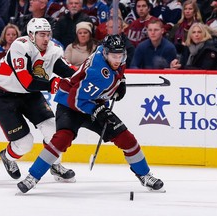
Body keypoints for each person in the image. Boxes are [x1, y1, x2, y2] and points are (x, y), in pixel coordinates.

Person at [17, 34, 165, 194]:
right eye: (114, 56)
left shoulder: (110, 55)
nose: (117, 59)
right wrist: (97, 110)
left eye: (120, 55)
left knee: (126, 138)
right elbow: (77, 99)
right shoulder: (97, 73)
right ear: (106, 54)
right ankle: (32, 176)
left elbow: (114, 73)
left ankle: (145, 175)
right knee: (62, 139)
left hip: (93, 103)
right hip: (70, 104)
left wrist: (120, 82)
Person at [0, 18, 77, 182]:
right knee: (24, 143)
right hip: (4, 94)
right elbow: (27, 82)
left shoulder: (54, 49)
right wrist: (52, 84)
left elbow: (66, 70)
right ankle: (7, 156)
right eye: (41, 35)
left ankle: (54, 165)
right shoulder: (20, 46)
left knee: (54, 130)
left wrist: (87, 79)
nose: (46, 39)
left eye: (48, 34)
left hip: (29, 94)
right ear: (31, 35)